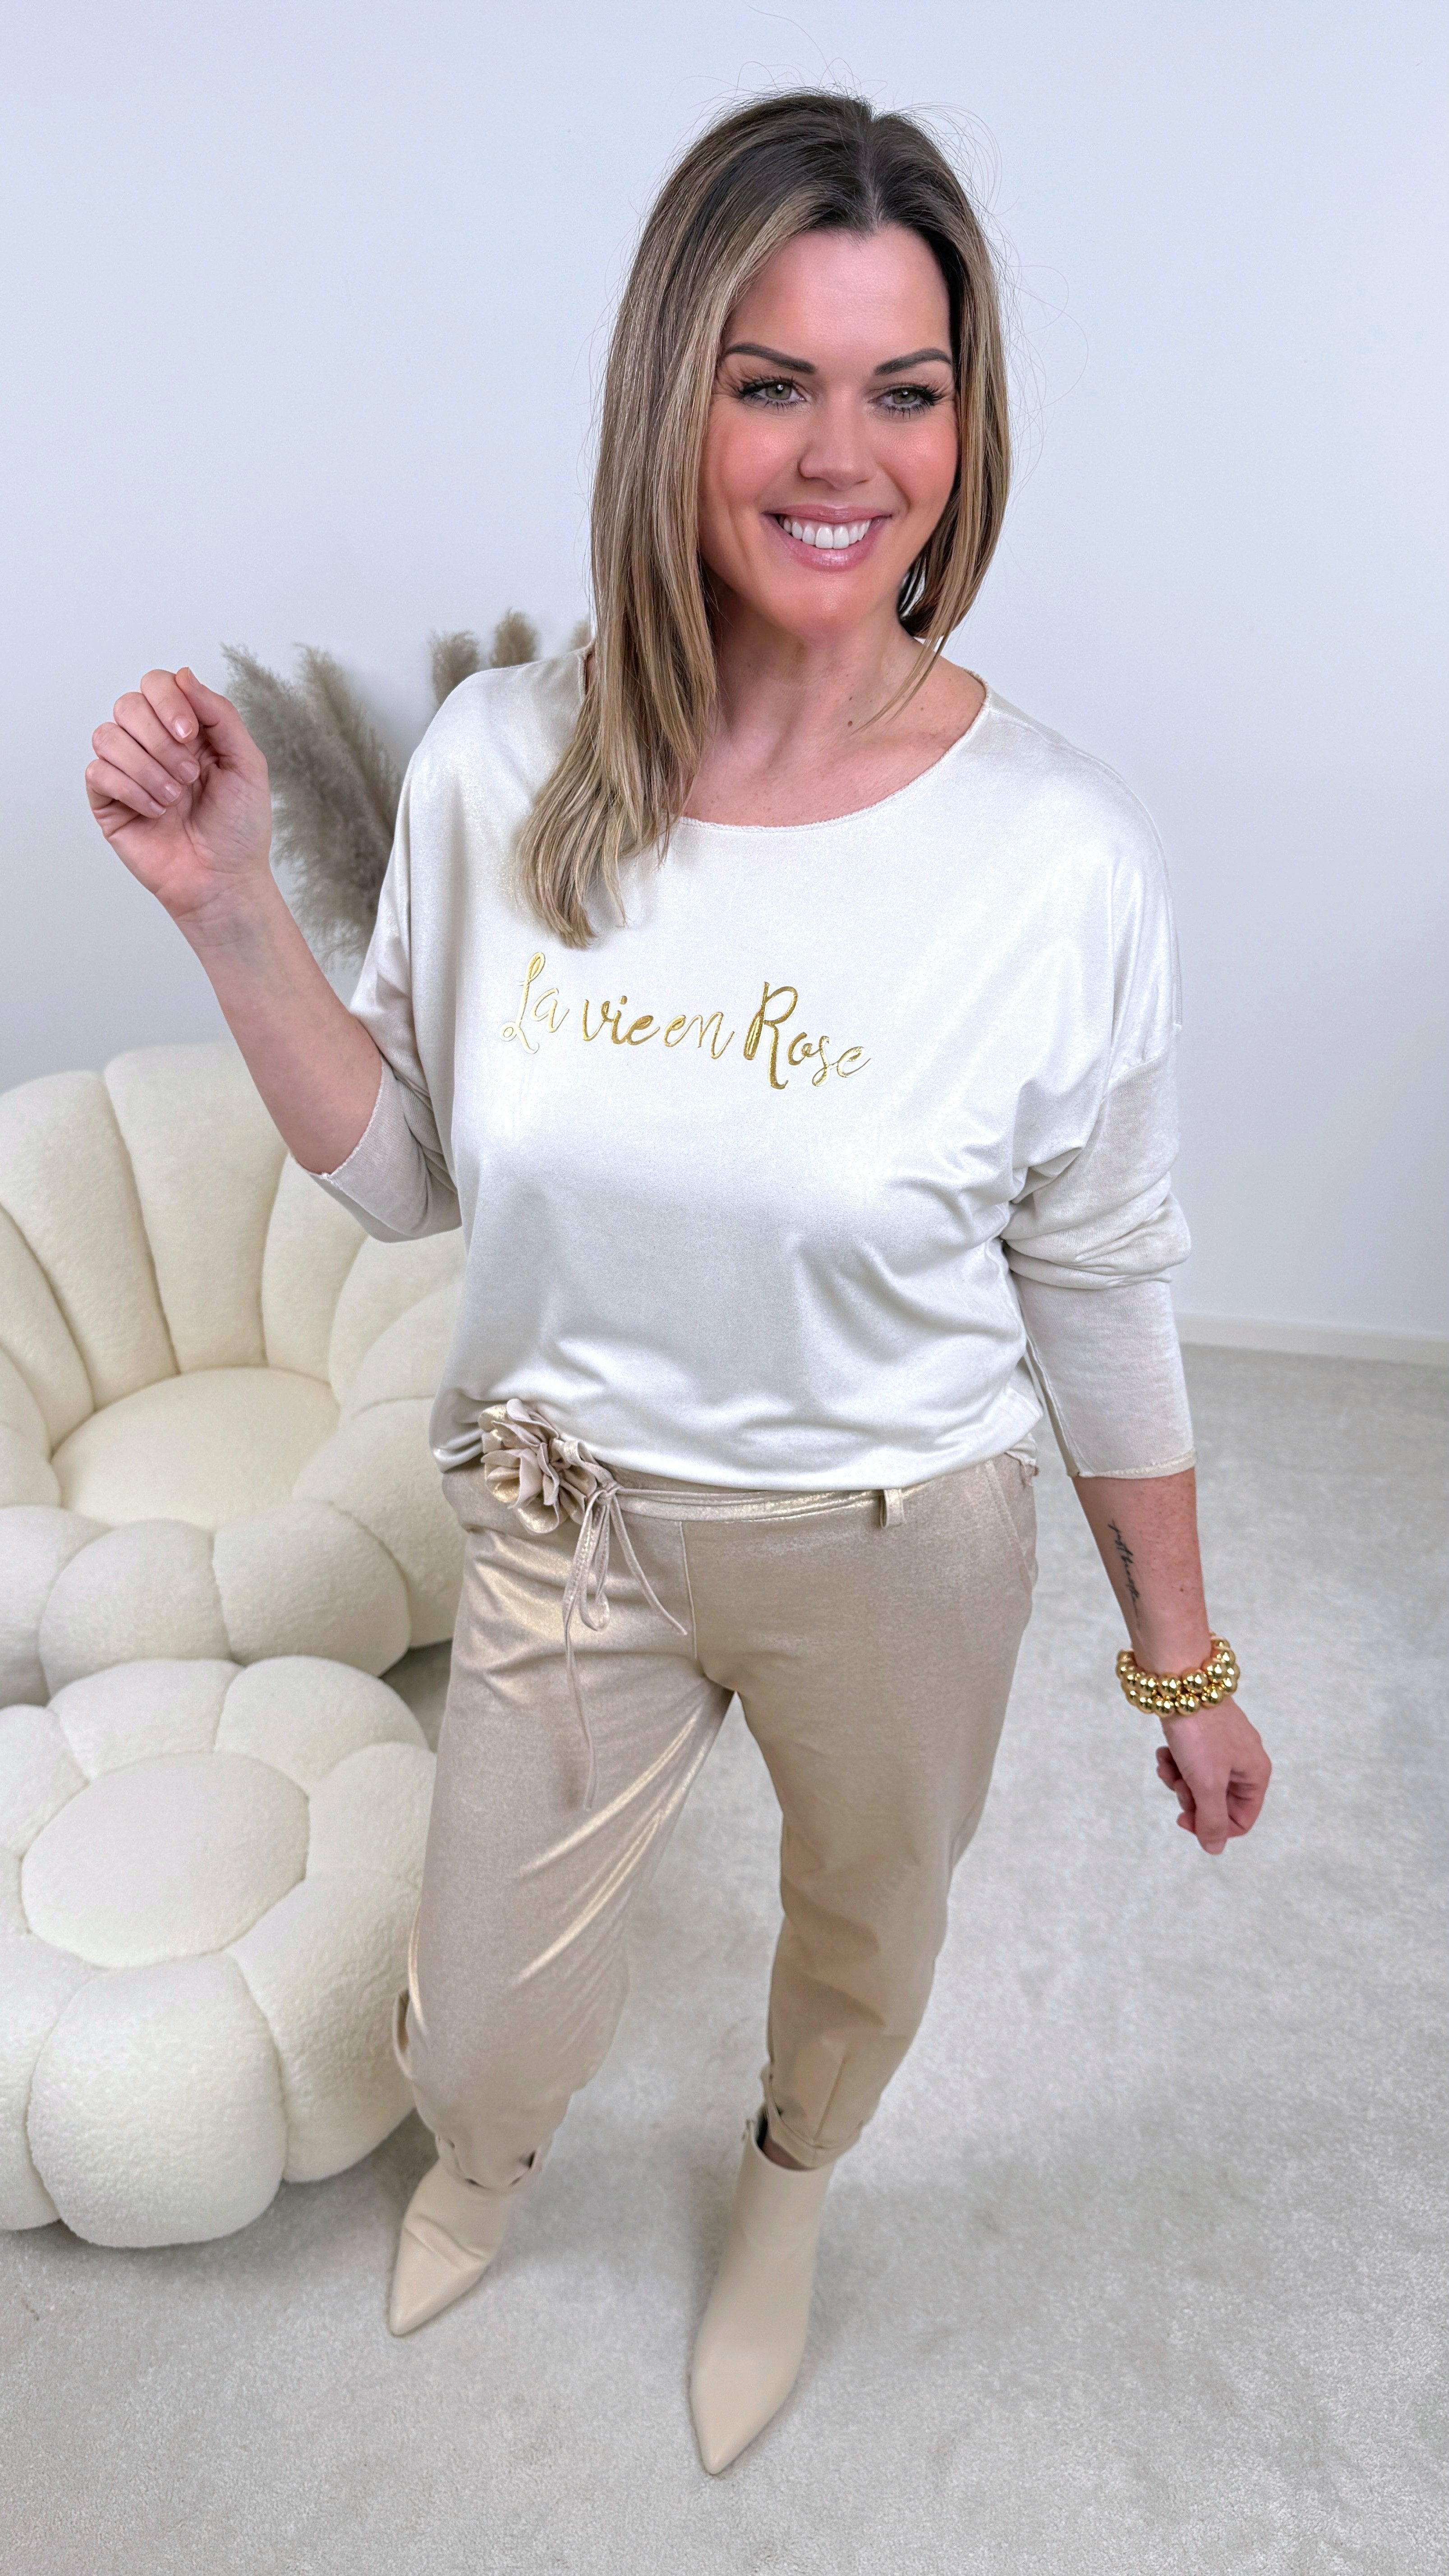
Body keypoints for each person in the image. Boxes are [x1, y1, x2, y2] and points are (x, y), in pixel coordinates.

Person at [84, 90, 1271, 2475]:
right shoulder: (503, 765)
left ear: (967, 423)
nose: (846, 457)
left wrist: (1186, 1657)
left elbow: (1101, 1281)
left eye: (905, 389)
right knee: (483, 2015)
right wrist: (228, 910)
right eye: (773, 382)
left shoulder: (1059, 855)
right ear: (673, 403)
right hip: (571, 1516)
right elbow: (407, 1175)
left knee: (868, 1936)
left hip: (902, 1536)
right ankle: (487, 2158)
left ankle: (790, 2188)